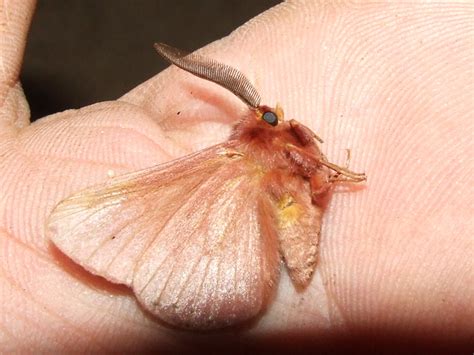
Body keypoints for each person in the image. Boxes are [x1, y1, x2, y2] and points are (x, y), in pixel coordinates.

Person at [0, 1, 472, 352]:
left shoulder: (264, 148)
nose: (281, 121)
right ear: (263, 127)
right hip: (255, 231)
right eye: (273, 120)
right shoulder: (239, 157)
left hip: (280, 221)